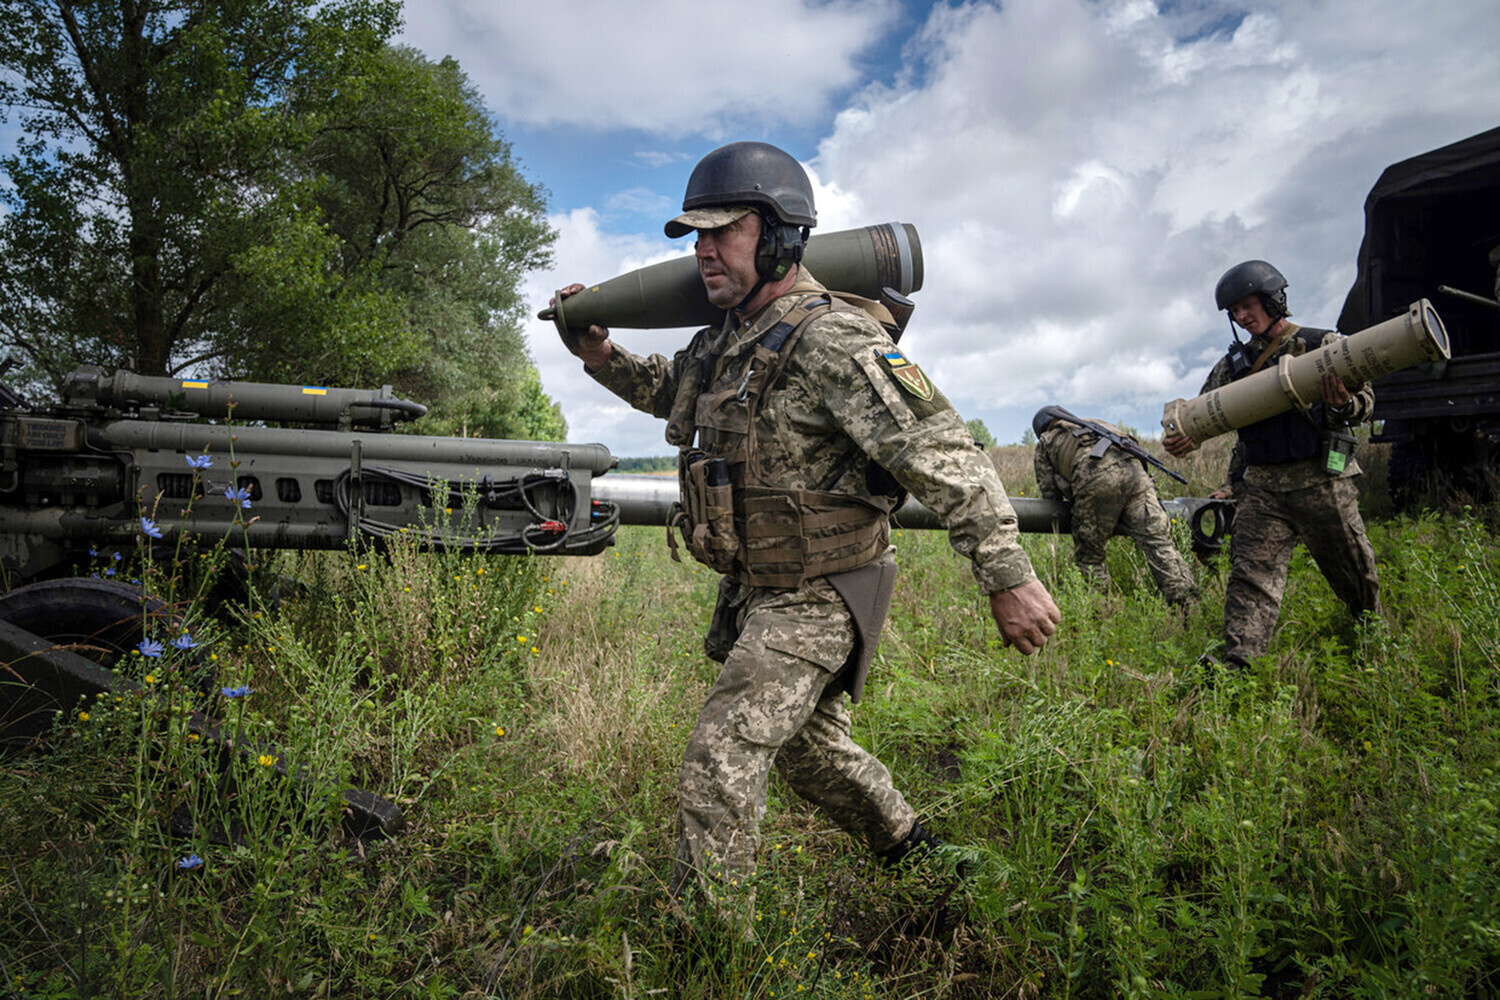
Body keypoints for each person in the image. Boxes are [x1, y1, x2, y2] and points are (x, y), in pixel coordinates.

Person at [552, 141, 1059, 903]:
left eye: (724, 230)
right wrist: (599, 354)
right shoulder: (725, 340)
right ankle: (925, 862)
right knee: (810, 754)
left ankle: (713, 954)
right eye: (697, 235)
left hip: (825, 590)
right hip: (761, 587)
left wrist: (1008, 577)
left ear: (783, 236)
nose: (704, 251)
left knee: (721, 753)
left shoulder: (835, 339)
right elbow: (670, 391)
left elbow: (945, 455)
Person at [1164, 260, 1380, 668]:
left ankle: (1373, 644)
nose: (1243, 317)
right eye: (1235, 312)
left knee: (1354, 572)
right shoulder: (1232, 368)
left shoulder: (1322, 344)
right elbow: (1204, 414)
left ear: (1273, 300)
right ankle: (1238, 665)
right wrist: (1184, 437)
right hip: (1262, 489)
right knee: (1250, 577)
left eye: (1249, 306)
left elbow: (1366, 401)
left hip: (1323, 481)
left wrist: (1345, 404)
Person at [1031, 407, 1198, 604]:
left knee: (1090, 557)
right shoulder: (1096, 423)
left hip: (1096, 482)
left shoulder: (1047, 440)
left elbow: (1050, 493)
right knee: (1159, 545)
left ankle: (1098, 612)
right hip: (1137, 477)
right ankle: (1188, 603)